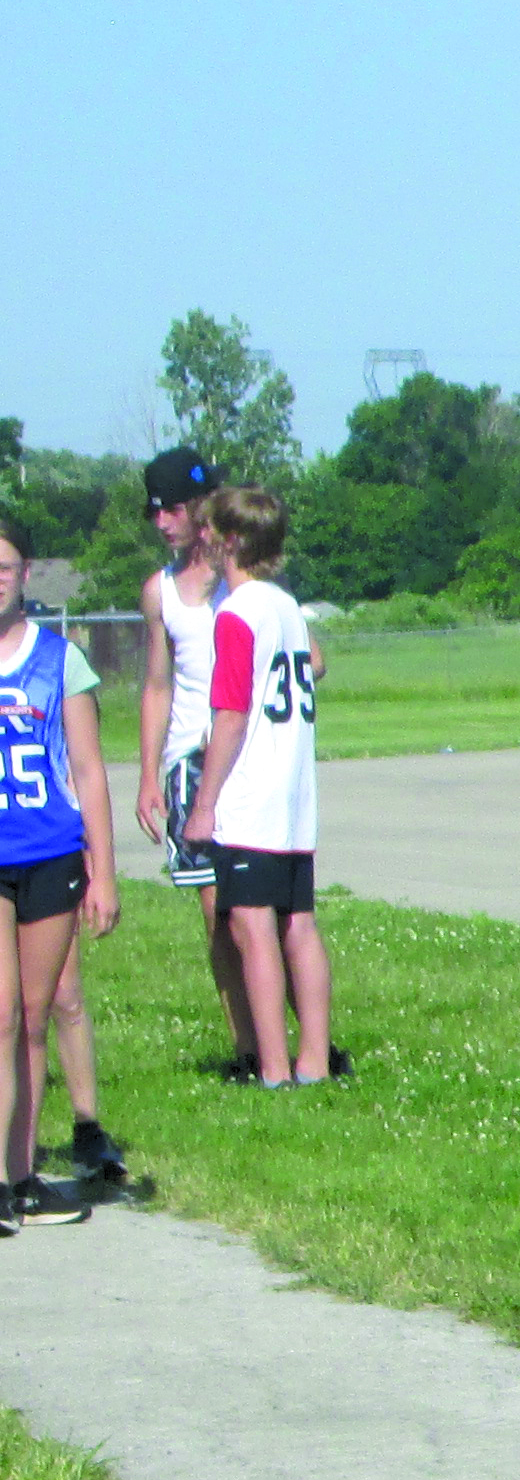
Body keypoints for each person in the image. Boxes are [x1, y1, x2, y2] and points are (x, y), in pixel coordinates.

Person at [179, 481, 334, 1089]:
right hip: (295, 793)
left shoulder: (238, 612)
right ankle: (314, 1062)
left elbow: (231, 713)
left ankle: (273, 1068)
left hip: (253, 795)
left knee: (251, 925)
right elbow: (315, 665)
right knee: (298, 922)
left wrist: (205, 803)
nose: (206, 541)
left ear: (234, 541)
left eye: (213, 531)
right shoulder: (286, 606)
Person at [0, 514, 120, 1223]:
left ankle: (22, 1174)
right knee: (0, 1017)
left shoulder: (59, 659)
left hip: (47, 851)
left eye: (6, 566)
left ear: (25, 575)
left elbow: (88, 767)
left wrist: (102, 872)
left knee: (36, 1016)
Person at [124, 446, 254, 1077]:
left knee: (262, 910)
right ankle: (246, 1048)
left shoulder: (243, 579)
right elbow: (157, 684)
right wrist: (149, 776)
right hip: (189, 760)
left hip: (246, 753)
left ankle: (287, 1044)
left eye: (172, 508)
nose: (162, 521)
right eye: (154, 510)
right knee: (216, 913)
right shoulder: (160, 594)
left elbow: (306, 655)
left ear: (202, 507)